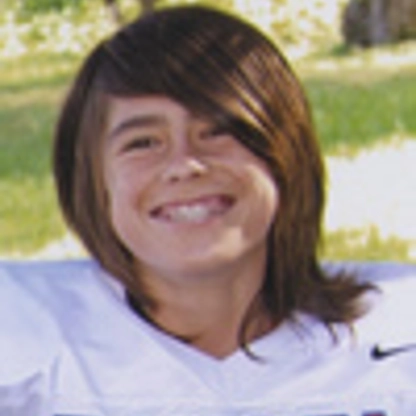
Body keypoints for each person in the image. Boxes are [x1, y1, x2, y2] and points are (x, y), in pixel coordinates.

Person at [1, 5, 415, 415]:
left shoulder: (395, 344)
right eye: (142, 143)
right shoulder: (25, 339)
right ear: (93, 181)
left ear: (287, 155)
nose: (184, 164)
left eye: (219, 131)